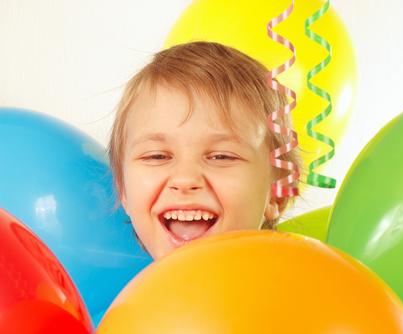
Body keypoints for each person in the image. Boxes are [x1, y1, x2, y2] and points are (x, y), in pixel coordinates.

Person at [108, 41, 303, 260]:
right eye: (157, 156)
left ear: (278, 193)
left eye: (222, 156)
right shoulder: (124, 294)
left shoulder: (298, 292)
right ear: (123, 188)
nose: (185, 179)